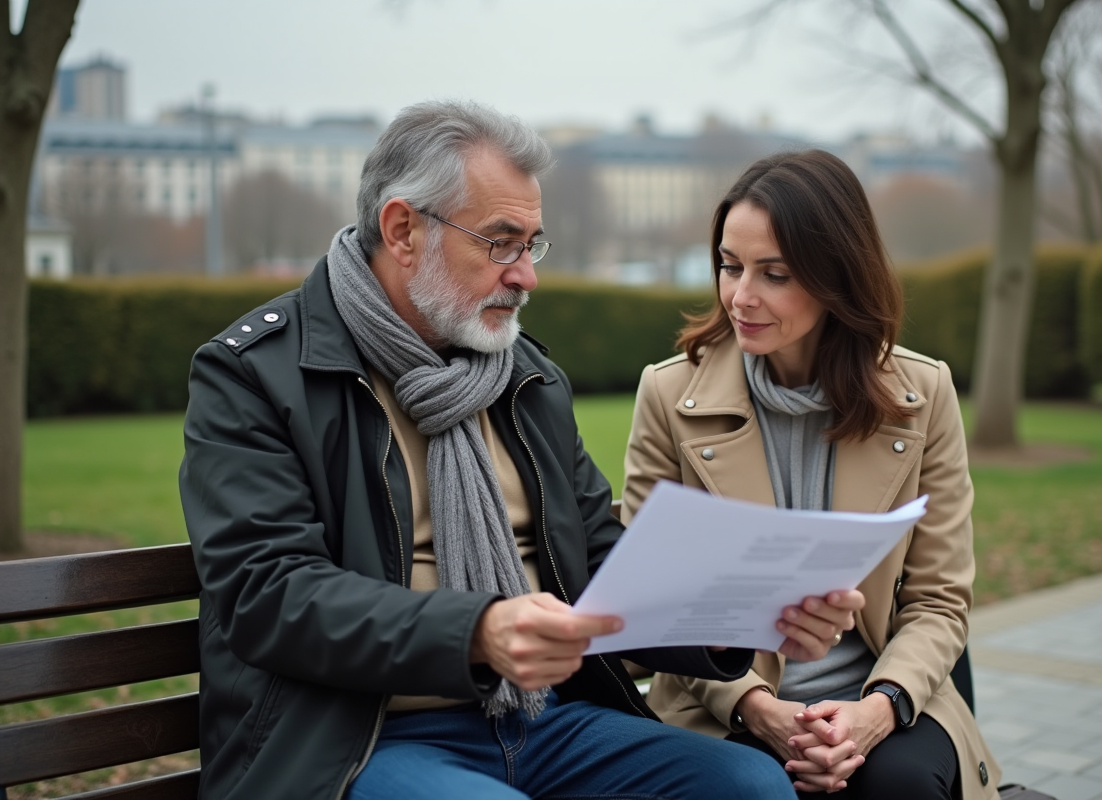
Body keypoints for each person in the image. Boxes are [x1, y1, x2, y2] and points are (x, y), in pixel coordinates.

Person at [179, 101, 858, 800]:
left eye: (531, 244)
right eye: (501, 242)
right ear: (403, 229)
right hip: (354, 739)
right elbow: (269, 593)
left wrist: (740, 612)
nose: (525, 275)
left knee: (746, 785)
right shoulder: (256, 374)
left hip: (540, 723)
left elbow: (597, 558)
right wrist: (476, 631)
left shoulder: (524, 377)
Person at [621, 150, 1002, 799]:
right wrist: (757, 707)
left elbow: (939, 601)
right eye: (729, 265)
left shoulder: (923, 393)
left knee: (899, 788)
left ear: (836, 276)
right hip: (724, 706)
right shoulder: (668, 394)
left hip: (886, 699)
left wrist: (877, 710)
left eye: (774, 274)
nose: (741, 296)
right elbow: (651, 603)